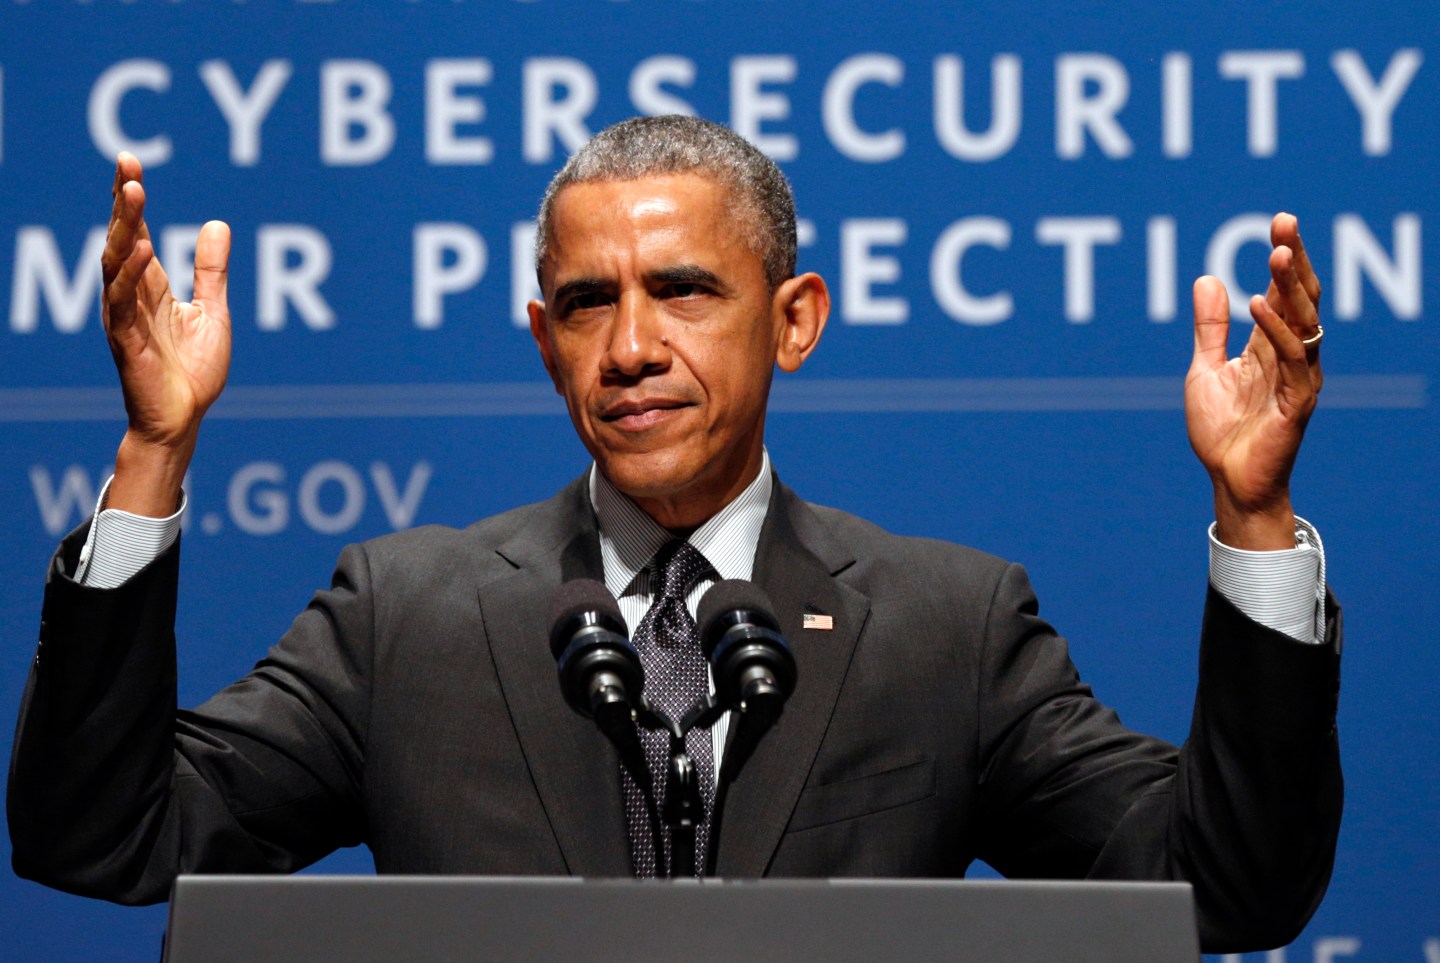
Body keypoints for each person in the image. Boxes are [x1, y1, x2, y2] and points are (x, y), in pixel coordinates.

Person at [8, 117, 1340, 953]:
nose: (632, 347)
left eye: (685, 292)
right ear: (545, 342)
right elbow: (105, 836)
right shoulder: (404, 615)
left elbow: (1224, 886)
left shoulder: (946, 626)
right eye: (588, 304)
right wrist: (154, 454)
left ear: (795, 320)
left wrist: (1254, 516)